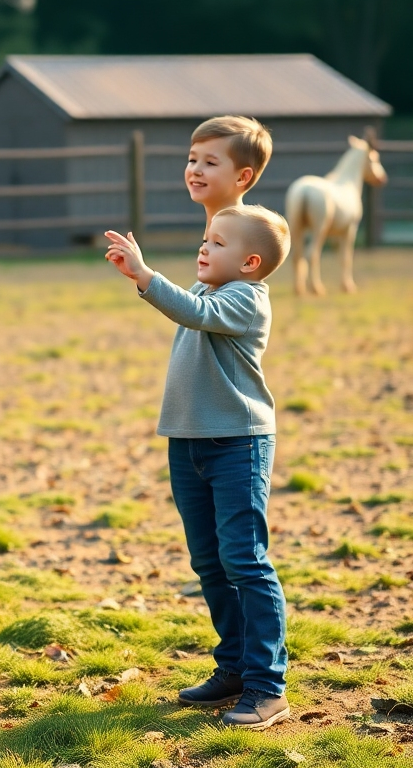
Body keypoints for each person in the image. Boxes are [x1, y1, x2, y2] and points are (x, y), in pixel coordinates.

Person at [104, 204, 291, 731]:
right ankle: (233, 667)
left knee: (244, 560)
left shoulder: (246, 300)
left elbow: (193, 312)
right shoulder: (211, 289)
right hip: (187, 445)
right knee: (209, 562)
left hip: (239, 445)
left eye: (218, 243)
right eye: (206, 238)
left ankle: (266, 685)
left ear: (251, 262)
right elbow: (191, 303)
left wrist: (145, 275)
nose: (204, 247)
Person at [186, 116, 273, 235]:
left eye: (210, 163)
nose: (195, 170)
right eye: (192, 160)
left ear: (243, 177)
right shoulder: (217, 229)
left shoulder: (241, 236)